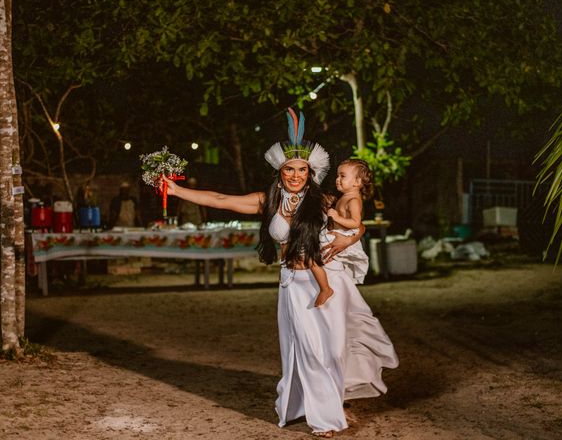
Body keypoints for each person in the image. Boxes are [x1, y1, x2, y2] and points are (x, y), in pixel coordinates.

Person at [163, 108, 397, 437]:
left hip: (322, 282)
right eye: (290, 169)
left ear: (310, 171)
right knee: (301, 350)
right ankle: (320, 411)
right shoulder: (268, 201)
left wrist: (348, 239)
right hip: (291, 284)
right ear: (280, 170)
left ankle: (328, 412)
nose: (296, 175)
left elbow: (355, 224)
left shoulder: (322, 199)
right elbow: (219, 199)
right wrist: (176, 191)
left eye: (302, 169)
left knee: (324, 350)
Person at [325, 159, 372, 284]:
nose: (337, 179)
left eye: (342, 176)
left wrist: (337, 217)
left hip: (346, 238)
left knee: (338, 275)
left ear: (357, 182)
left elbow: (356, 223)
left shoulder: (353, 200)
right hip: (339, 234)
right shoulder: (345, 197)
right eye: (337, 175)